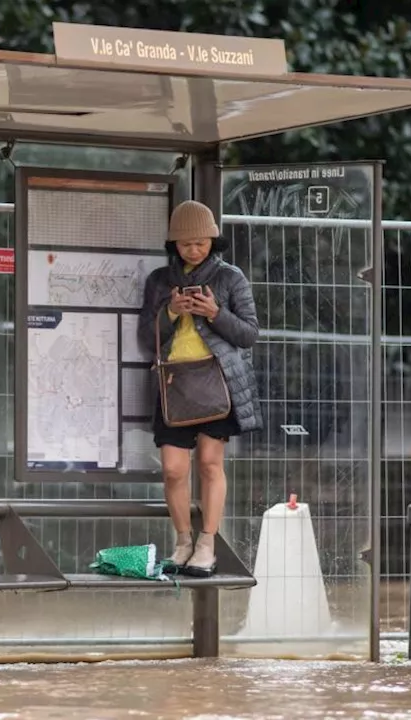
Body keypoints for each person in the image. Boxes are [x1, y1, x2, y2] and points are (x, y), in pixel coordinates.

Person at [137, 200, 261, 576]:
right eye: (187, 243)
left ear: (213, 240)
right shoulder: (160, 280)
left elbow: (250, 334)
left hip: (217, 381)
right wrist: (171, 311)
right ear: (174, 244)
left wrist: (214, 313)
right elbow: (147, 337)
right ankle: (183, 540)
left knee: (209, 463)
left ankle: (207, 542)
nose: (195, 249)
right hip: (173, 382)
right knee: (174, 470)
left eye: (202, 242)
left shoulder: (230, 277)